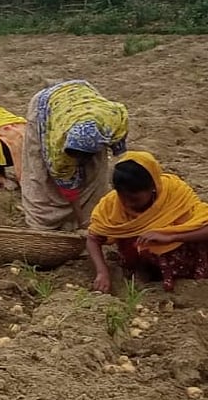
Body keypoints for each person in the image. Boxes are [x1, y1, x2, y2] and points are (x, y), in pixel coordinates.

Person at [88, 151, 208, 292]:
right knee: (140, 245)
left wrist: (171, 236)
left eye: (134, 199)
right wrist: (102, 272)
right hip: (141, 261)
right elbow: (92, 238)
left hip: (182, 257)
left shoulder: (174, 193)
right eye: (122, 196)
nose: (127, 203)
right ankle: (145, 272)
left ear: (153, 187)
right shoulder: (111, 204)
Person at [20, 80, 128, 231]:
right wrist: (82, 222)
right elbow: (68, 189)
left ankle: (94, 214)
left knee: (95, 171)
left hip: (83, 91)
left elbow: (121, 154)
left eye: (83, 156)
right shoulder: (58, 152)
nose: (79, 161)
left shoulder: (114, 118)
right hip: (47, 104)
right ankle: (49, 222)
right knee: (41, 174)